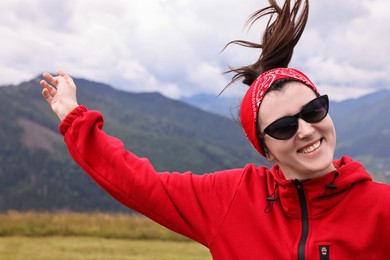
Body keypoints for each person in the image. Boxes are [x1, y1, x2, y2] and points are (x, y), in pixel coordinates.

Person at [39, 0, 390, 259]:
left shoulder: (382, 209)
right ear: (264, 149)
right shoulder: (232, 198)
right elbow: (138, 183)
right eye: (283, 127)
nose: (305, 130)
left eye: (313, 111)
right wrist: (74, 118)